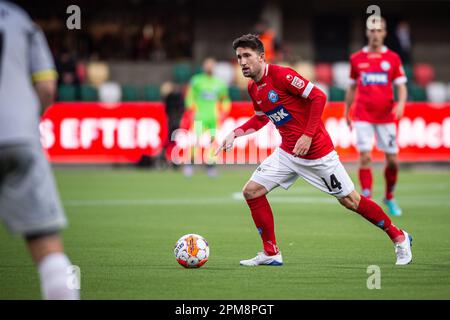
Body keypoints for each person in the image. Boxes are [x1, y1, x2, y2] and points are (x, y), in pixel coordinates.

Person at [216, 34, 412, 266]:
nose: (242, 62)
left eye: (247, 56)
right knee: (252, 191)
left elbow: (319, 96)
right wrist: (236, 133)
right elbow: (261, 119)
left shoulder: (282, 75)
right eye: (239, 57)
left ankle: (399, 237)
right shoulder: (254, 88)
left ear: (261, 56)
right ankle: (271, 253)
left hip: (318, 153)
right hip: (288, 154)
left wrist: (307, 136)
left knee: (351, 200)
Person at [0, 2, 79, 299]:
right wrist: (25, 122)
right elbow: (47, 87)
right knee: (46, 246)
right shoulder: (19, 18)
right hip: (16, 137)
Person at [345, 17, 408, 216]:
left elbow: (401, 86)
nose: (375, 34)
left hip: (386, 116)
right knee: (364, 156)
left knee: (392, 161)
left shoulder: (393, 58)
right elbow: (352, 87)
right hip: (363, 114)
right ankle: (367, 196)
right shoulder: (356, 59)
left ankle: (389, 196)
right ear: (367, 33)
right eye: (372, 30)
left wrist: (401, 104)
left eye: (379, 30)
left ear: (384, 33)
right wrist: (347, 110)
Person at [184, 57, 231, 177]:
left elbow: (224, 99)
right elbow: (190, 97)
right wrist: (192, 110)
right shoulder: (197, 81)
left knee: (213, 142)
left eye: (211, 65)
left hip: (213, 118)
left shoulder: (219, 83)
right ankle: (190, 164)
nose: (209, 67)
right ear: (204, 67)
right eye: (207, 65)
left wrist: (223, 111)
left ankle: (210, 165)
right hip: (200, 116)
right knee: (196, 140)